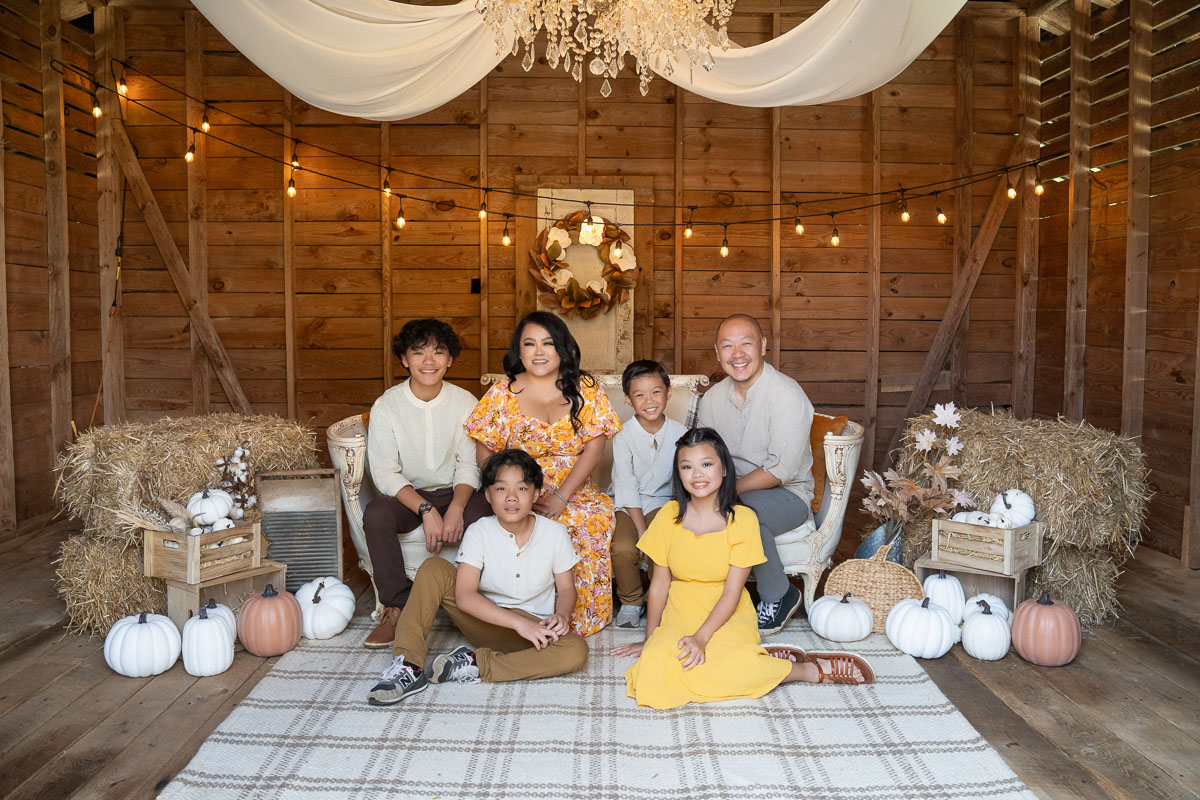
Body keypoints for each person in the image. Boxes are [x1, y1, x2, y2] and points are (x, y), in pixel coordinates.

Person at [610, 428, 874, 710]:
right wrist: (651, 640)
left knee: (731, 670)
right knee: (653, 678)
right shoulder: (668, 517)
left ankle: (805, 670)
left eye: (706, 464)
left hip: (725, 610)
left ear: (724, 470)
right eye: (687, 467)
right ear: (679, 474)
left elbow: (733, 591)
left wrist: (701, 638)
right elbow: (660, 585)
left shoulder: (743, 520)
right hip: (681, 609)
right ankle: (760, 657)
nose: (697, 474)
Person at [367, 449, 589, 706]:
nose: (512, 498)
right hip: (486, 619)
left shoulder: (554, 533)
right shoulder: (479, 531)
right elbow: (465, 596)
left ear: (536, 494)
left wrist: (561, 616)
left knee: (576, 651)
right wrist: (517, 622)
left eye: (522, 489)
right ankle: (408, 667)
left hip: (534, 630)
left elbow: (567, 589)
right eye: (501, 489)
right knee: (434, 568)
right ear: (488, 495)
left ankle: (474, 664)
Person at [465, 311, 621, 636]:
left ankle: (577, 622)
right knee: (528, 527)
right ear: (518, 351)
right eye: (530, 344)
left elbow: (595, 447)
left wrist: (561, 497)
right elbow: (485, 450)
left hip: (574, 490)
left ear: (562, 348)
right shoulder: (500, 394)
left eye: (548, 343)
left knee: (584, 523)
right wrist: (506, 493)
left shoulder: (586, 389)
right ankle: (525, 619)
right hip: (518, 492)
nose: (539, 352)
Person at [361, 319, 493, 648]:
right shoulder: (387, 406)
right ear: (405, 359)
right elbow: (386, 473)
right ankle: (397, 607)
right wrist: (425, 509)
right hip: (410, 496)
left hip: (459, 492)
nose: (429, 361)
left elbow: (468, 464)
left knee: (491, 510)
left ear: (450, 359)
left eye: (438, 352)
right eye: (418, 353)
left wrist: (457, 508)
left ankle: (476, 602)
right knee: (377, 514)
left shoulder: (465, 402)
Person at [697, 314, 814, 636]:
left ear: (763, 346)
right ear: (718, 353)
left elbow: (782, 469)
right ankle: (701, 597)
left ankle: (780, 594)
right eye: (728, 345)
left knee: (742, 513)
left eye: (746, 343)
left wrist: (725, 492)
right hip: (729, 488)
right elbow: (706, 454)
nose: (737, 354)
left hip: (788, 494)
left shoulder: (785, 393)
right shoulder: (712, 398)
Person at [609, 360, 688, 629]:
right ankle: (631, 601)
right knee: (622, 548)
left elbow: (683, 479)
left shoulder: (681, 435)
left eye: (656, 392)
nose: (649, 400)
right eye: (639, 395)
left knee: (660, 549)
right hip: (628, 503)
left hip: (664, 503)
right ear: (629, 400)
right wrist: (641, 529)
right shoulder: (622, 435)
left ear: (668, 392)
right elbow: (627, 484)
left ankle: (661, 601)